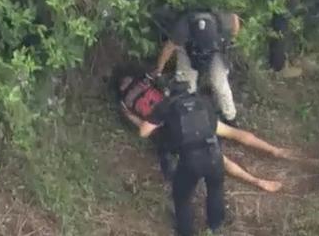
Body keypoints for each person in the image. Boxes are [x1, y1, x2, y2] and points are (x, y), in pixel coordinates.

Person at [113, 66, 292, 193]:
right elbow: (160, 81)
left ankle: (256, 180)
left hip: (180, 130)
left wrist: (132, 118)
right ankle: (275, 150)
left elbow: (144, 131)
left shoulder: (125, 101)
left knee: (219, 157)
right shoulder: (145, 80)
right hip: (193, 112)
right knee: (233, 133)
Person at [137, 77, 225, 236]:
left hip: (191, 159)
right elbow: (212, 127)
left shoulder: (166, 105)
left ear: (168, 92)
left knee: (182, 197)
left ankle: (186, 232)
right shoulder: (203, 102)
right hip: (214, 152)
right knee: (215, 188)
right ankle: (215, 226)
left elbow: (143, 132)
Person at [149, 9, 240, 126]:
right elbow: (168, 48)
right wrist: (159, 70)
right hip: (187, 50)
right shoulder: (182, 28)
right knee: (185, 86)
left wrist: (231, 40)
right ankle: (188, 115)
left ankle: (231, 118)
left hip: (215, 50)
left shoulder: (220, 21)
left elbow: (234, 19)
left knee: (220, 84)